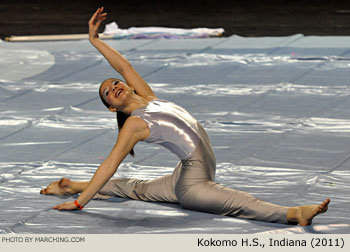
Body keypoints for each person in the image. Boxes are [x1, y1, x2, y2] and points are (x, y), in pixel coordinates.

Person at [41, 7, 330, 226]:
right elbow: (109, 165)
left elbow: (124, 65)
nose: (114, 87)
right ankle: (294, 214)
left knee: (135, 188)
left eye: (114, 83)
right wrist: (79, 205)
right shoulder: (133, 124)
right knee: (239, 202)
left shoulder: (149, 98)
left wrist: (94, 39)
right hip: (194, 185)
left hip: (185, 175)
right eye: (107, 92)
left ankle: (71, 185)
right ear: (111, 108)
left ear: (126, 85)